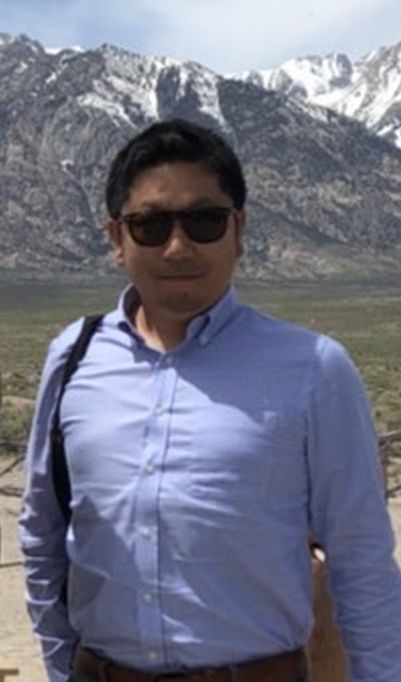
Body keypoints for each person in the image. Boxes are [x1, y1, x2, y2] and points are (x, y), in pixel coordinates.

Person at [19, 119, 401, 682]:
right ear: (117, 240)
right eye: (150, 225)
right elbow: (43, 532)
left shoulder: (315, 370)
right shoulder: (72, 357)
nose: (178, 247)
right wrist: (61, 669)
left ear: (238, 231)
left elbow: (361, 559)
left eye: (204, 221)